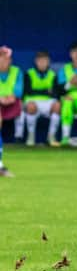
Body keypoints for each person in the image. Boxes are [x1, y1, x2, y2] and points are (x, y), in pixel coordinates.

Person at [15, 51, 61, 146]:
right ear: (36, 61)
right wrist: (46, 91)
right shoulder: (29, 74)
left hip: (48, 102)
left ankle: (51, 137)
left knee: (57, 106)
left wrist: (39, 91)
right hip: (32, 101)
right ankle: (31, 137)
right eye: (40, 61)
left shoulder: (53, 75)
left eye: (45, 61)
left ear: (48, 62)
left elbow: (56, 93)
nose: (42, 63)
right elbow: (28, 91)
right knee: (31, 106)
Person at [0, 45, 21, 177]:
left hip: (11, 104)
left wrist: (9, 98)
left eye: (6, 58)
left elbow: (18, 90)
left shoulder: (16, 72)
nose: (4, 61)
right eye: (1, 58)